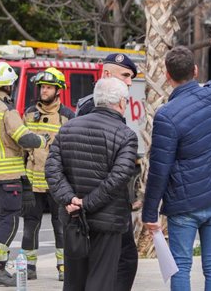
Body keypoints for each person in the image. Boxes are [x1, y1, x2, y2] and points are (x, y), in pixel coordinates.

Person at [142, 25, 211, 291]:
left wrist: (150, 212)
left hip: (183, 206)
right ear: (195, 71)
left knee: (181, 266)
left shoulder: (166, 116)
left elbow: (159, 169)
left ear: (166, 76)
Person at [46, 77, 138, 291]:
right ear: (122, 103)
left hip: (73, 219)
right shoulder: (125, 135)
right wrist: (86, 204)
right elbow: (119, 176)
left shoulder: (68, 128)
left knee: (73, 282)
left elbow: (52, 170)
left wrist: (71, 200)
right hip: (107, 221)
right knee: (101, 281)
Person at [0, 61, 48, 287]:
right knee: (9, 220)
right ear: (9, 87)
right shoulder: (7, 111)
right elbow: (24, 138)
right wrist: (42, 140)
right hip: (8, 178)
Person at [76, 52, 139, 291]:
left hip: (98, 200)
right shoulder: (97, 107)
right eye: (125, 75)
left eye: (131, 77)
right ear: (106, 74)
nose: (130, 82)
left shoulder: (88, 104)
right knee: (123, 260)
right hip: (104, 202)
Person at [22, 67, 75, 281]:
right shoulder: (28, 114)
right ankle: (29, 267)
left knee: (60, 224)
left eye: (48, 87)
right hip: (33, 181)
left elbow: (71, 149)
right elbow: (22, 149)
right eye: (42, 87)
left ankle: (64, 267)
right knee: (30, 225)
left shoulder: (67, 116)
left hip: (57, 182)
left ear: (58, 90)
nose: (44, 91)